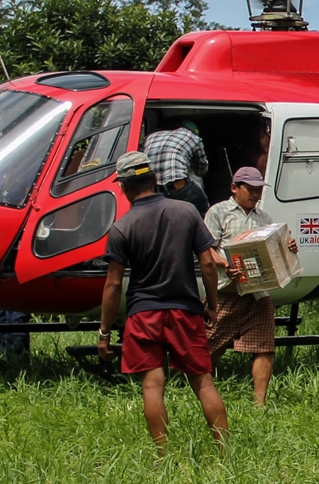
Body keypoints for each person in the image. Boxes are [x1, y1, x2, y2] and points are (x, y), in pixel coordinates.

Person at [96, 151, 229, 451]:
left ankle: (163, 455)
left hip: (144, 314)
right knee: (204, 383)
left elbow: (114, 284)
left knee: (152, 385)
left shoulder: (122, 227)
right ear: (155, 179)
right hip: (185, 310)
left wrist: (104, 332)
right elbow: (208, 264)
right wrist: (212, 305)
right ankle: (225, 452)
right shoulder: (186, 212)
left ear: (124, 187)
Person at [203, 167, 298, 407]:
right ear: (235, 188)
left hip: (257, 293)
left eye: (258, 191)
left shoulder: (263, 218)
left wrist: (289, 246)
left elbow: (274, 247)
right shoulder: (218, 213)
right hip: (226, 291)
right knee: (207, 347)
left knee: (264, 347)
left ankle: (259, 404)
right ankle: (201, 392)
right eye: (251, 190)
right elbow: (207, 249)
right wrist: (226, 264)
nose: (255, 195)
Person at [145, 121, 210, 215]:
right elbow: (201, 170)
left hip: (152, 190)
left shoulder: (151, 137)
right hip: (178, 187)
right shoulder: (193, 137)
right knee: (203, 209)